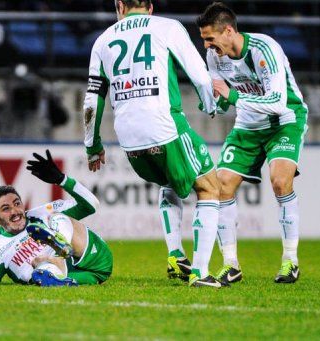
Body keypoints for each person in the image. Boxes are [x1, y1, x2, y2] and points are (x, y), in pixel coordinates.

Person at [83, 0, 224, 287]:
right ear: (149, 7)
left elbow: (92, 100)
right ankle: (200, 272)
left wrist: (92, 144)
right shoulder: (167, 27)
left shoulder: (103, 40)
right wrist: (210, 105)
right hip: (164, 127)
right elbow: (198, 71)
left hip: (129, 138)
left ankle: (175, 255)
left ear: (119, 5)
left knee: (169, 183)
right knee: (210, 187)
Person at [196, 2, 308, 285]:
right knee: (221, 186)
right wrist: (213, 103)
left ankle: (290, 261)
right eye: (204, 40)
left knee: (281, 181)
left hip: (285, 120)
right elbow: (222, 103)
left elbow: (277, 101)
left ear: (229, 31)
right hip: (248, 125)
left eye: (210, 39)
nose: (208, 46)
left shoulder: (264, 48)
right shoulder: (215, 57)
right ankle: (231, 264)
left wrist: (231, 97)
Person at [0, 151, 113, 286]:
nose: (15, 211)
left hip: (91, 255)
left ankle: (60, 249)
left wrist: (61, 179)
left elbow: (90, 204)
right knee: (39, 269)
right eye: (6, 209)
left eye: (17, 203)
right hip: (87, 275)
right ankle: (59, 277)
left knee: (56, 217)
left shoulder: (39, 214)